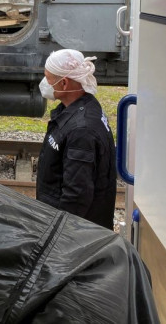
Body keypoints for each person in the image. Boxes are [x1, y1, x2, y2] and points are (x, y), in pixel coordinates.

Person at [36, 49, 117, 229]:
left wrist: (58, 234)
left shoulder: (82, 130)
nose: (44, 83)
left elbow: (76, 196)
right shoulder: (78, 108)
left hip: (75, 234)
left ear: (64, 83)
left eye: (48, 78)